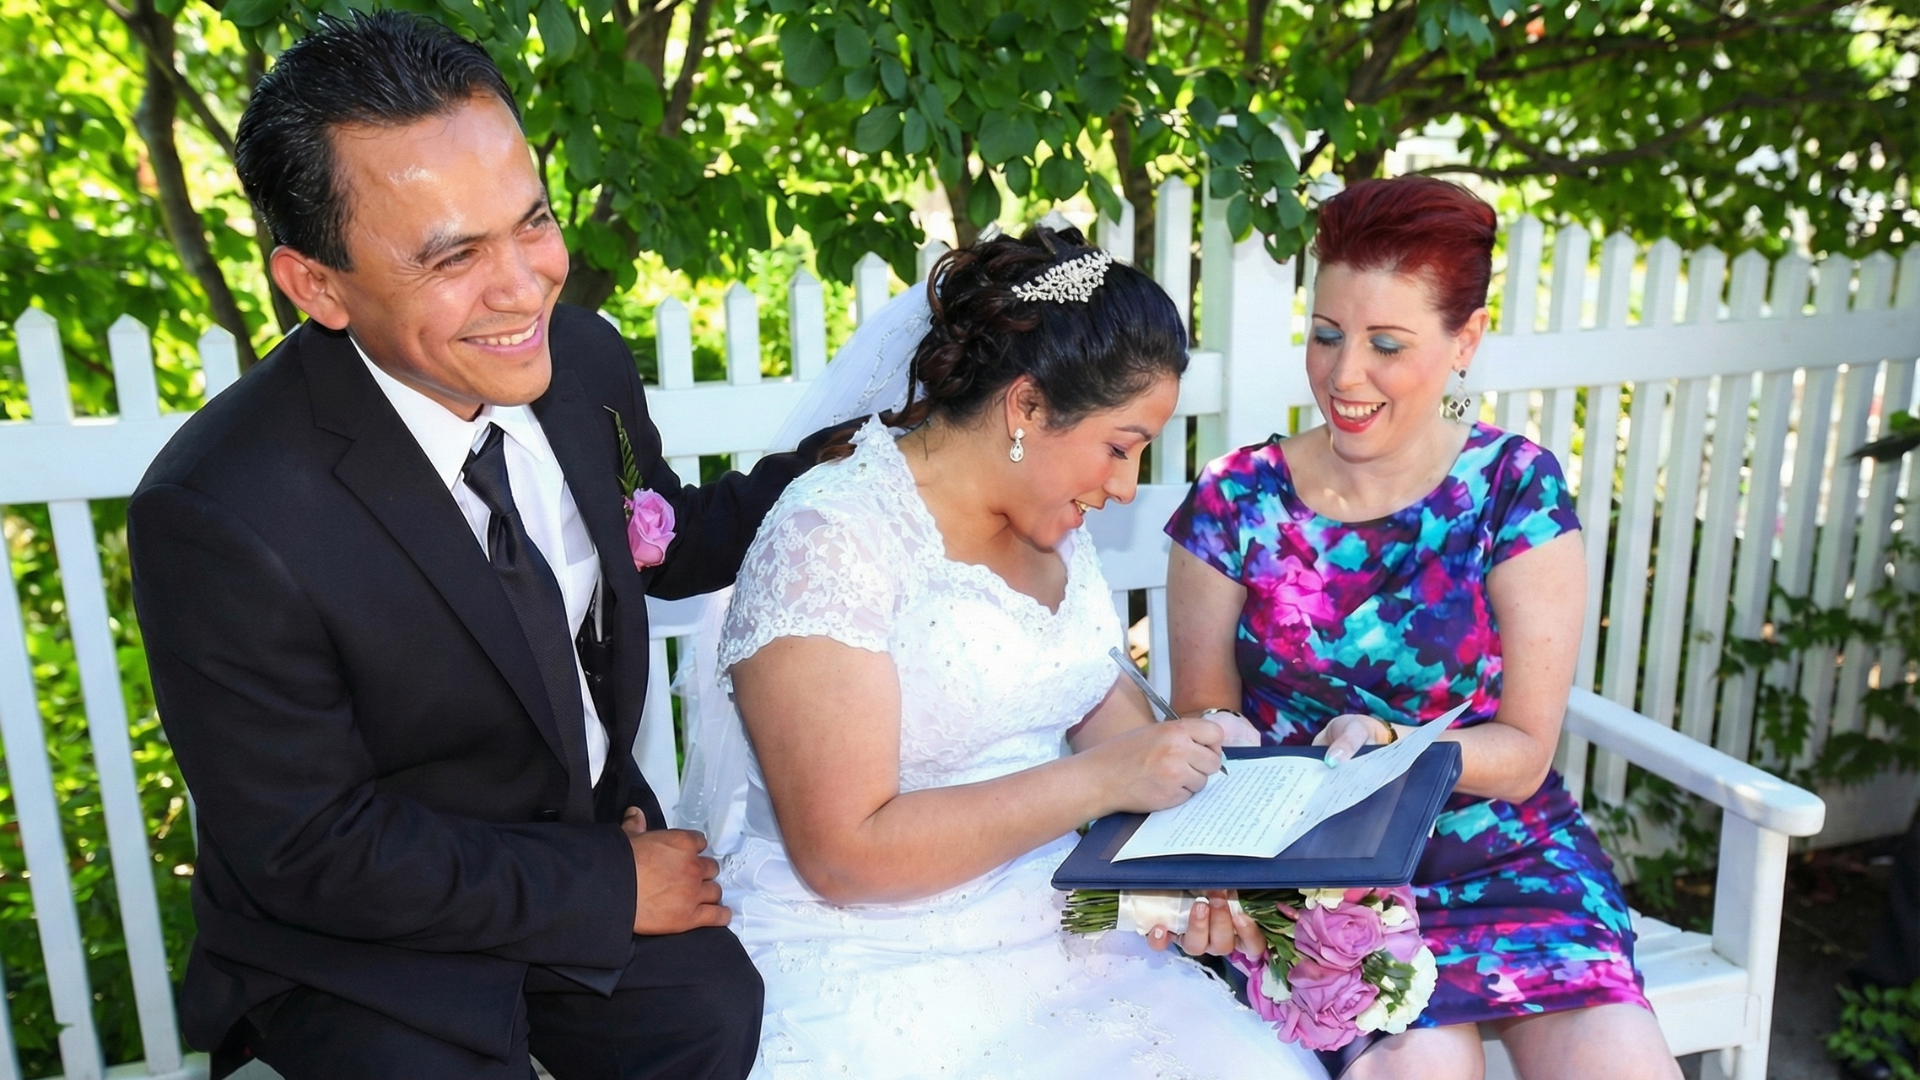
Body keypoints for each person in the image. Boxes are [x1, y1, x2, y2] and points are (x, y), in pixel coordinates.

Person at [126, 12, 845, 1079]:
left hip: (577, 839)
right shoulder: (217, 513)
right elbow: (307, 845)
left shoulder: (584, 362)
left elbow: (660, 537)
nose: (524, 286)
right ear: (316, 285)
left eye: (533, 221)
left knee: (709, 1009)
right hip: (362, 939)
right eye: (455, 255)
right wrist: (607, 890)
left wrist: (859, 461)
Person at [708, 226, 1326, 1078]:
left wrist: (1230, 865)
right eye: (1120, 446)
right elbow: (842, 854)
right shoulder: (831, 534)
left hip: (1059, 939)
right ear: (1027, 407)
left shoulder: (1053, 525)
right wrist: (1103, 781)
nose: (1123, 488)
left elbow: (1121, 739)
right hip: (869, 966)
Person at [1164, 177, 1681, 1080]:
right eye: (1326, 335)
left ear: (1464, 341)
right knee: (1424, 1068)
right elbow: (1208, 734)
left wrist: (1396, 746)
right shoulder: (1235, 500)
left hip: (1509, 860)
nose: (1343, 374)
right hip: (1322, 882)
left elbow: (1522, 750)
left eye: (1386, 344)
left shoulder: (1513, 490)